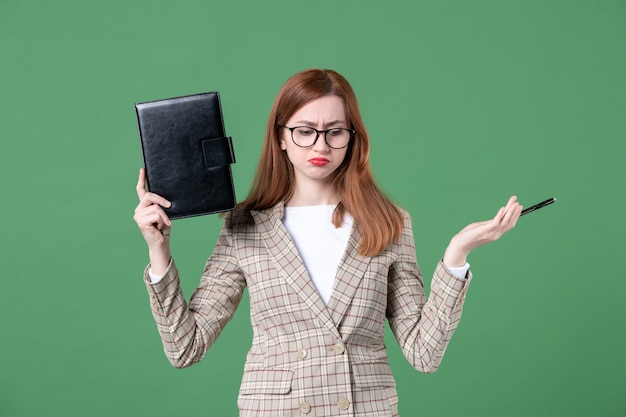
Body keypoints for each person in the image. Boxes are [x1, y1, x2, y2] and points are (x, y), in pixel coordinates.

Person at [133, 68, 522, 416]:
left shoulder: (389, 222)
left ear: (352, 138)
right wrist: (159, 250)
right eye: (304, 131)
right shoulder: (244, 226)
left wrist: (457, 256)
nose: (320, 146)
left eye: (335, 131)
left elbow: (423, 353)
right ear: (281, 138)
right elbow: (186, 348)